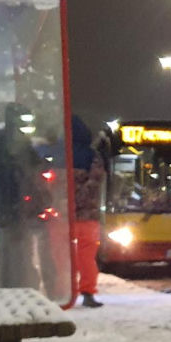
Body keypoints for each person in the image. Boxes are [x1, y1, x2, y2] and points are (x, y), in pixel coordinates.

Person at [0, 103, 48, 288]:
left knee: (17, 250)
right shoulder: (1, 140)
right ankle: (16, 285)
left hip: (16, 207)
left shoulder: (12, 140)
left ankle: (19, 284)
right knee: (13, 251)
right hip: (12, 205)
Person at [71, 116, 105, 308]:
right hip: (88, 216)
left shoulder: (60, 154)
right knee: (87, 256)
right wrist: (81, 198)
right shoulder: (93, 156)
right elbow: (95, 182)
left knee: (63, 256)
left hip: (64, 217)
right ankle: (87, 292)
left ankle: (63, 291)